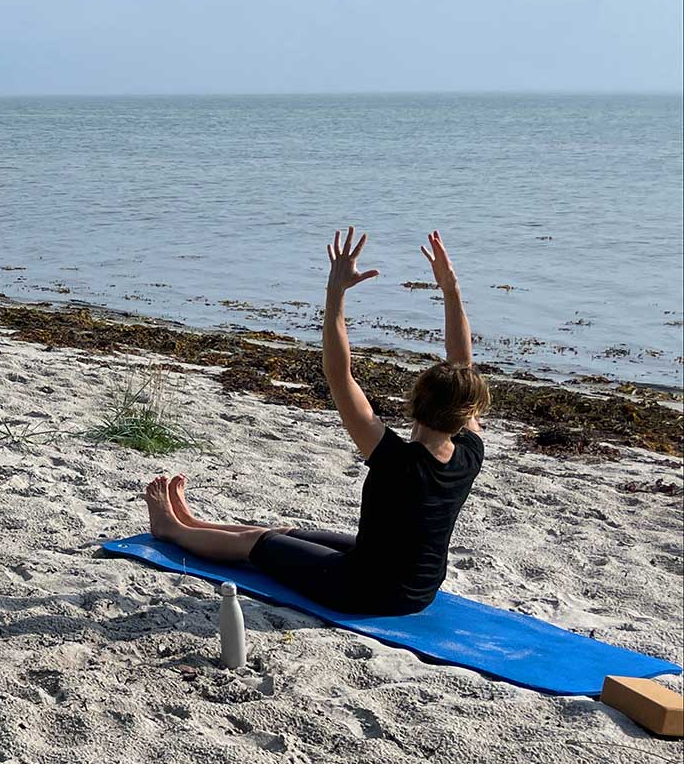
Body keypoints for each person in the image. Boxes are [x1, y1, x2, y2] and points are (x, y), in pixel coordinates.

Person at [143, 229, 487, 616]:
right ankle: (190, 522)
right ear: (465, 412)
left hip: (364, 589)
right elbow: (463, 368)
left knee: (258, 542)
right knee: (286, 535)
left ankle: (171, 531)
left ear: (415, 401)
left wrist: (335, 293)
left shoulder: (397, 460)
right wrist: (451, 290)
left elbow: (339, 376)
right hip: (417, 589)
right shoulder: (470, 452)